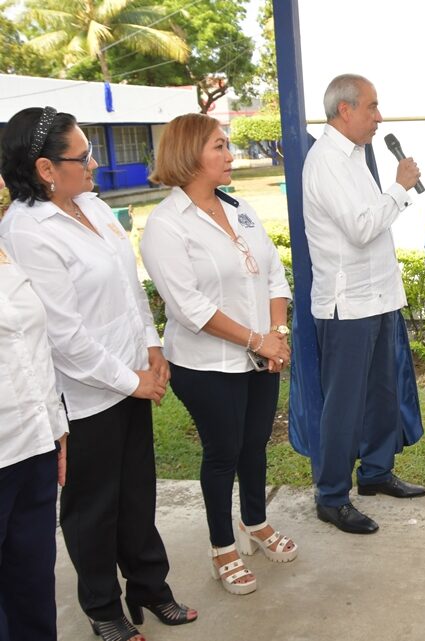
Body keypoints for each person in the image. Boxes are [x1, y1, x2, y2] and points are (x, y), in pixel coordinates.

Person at [0, 107, 195, 641]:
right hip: (86, 394)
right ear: (44, 169)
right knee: (93, 507)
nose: (95, 164)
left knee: (137, 492)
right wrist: (134, 380)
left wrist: (152, 346)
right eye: (82, 156)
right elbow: (63, 334)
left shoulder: (91, 204)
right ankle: (102, 607)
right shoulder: (27, 230)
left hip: (132, 372)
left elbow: (128, 285)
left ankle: (150, 587)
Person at [141, 114, 297, 595]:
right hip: (205, 364)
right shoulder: (166, 226)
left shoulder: (239, 206)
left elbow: (271, 272)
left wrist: (277, 332)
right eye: (219, 147)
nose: (230, 155)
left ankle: (255, 522)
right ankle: (222, 549)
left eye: (227, 146)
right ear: (189, 154)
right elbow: (189, 308)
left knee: (254, 446)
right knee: (223, 453)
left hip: (259, 355)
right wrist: (257, 341)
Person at [302, 73, 425, 535]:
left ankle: (375, 472)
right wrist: (398, 188)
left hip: (377, 297)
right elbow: (359, 228)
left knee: (381, 394)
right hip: (347, 305)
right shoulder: (326, 162)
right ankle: (331, 497)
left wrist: (392, 194)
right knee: (344, 405)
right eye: (372, 107)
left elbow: (370, 223)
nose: (379, 117)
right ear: (345, 110)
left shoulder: (355, 156)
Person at [0, 174, 68, 641]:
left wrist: (56, 427)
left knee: (33, 585)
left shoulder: (6, 251)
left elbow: (33, 346)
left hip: (33, 445)